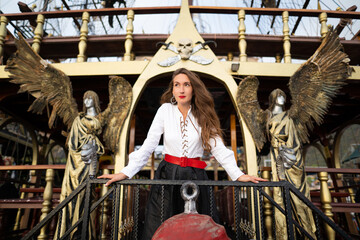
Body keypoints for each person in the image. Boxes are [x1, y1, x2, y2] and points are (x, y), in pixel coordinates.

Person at [98, 68, 266, 239]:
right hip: (167, 176)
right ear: (172, 90)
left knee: (198, 228)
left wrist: (238, 175)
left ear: (194, 89)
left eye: (186, 84)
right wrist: (125, 173)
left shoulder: (204, 114)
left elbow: (219, 149)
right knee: (160, 224)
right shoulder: (165, 110)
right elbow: (149, 145)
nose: (181, 89)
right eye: (177, 85)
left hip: (196, 176)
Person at [267, 89, 316, 239]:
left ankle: (307, 232)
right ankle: (284, 235)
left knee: (299, 197)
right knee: (279, 196)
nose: (282, 98)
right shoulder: (267, 116)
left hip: (291, 159)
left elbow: (294, 140)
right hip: (277, 159)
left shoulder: (289, 117)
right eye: (279, 96)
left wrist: (285, 148)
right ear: (273, 98)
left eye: (283, 96)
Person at [56, 90, 105, 240]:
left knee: (87, 195)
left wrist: (92, 146)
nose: (86, 101)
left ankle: (84, 232)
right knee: (75, 193)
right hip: (77, 161)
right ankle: (70, 231)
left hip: (91, 158)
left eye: (90, 98)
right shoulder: (79, 119)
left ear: (94, 100)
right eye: (84, 99)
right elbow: (73, 144)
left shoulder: (100, 118)